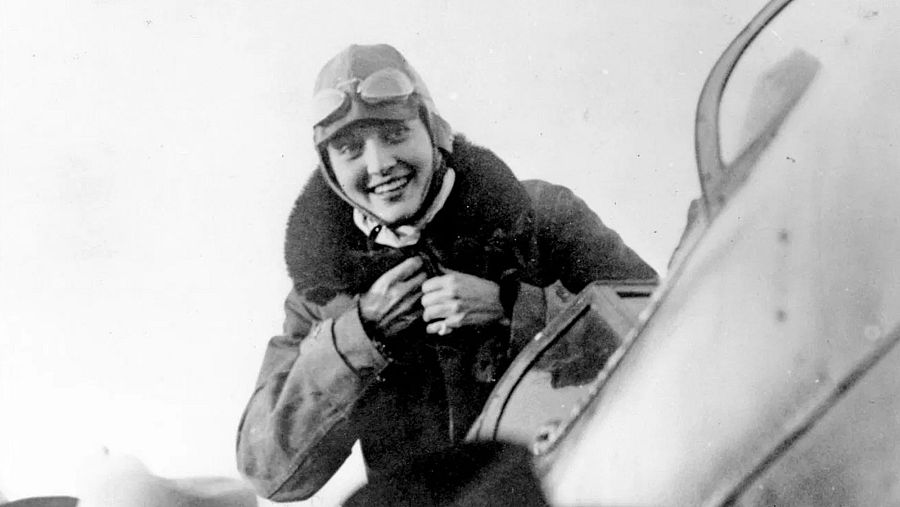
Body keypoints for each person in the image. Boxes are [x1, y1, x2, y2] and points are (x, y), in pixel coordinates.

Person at [235, 43, 657, 502]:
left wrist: (514, 309)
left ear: (433, 129)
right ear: (330, 169)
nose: (378, 165)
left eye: (394, 134)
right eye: (349, 148)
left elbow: (667, 334)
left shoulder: (541, 217)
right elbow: (268, 470)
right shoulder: (322, 293)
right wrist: (359, 336)